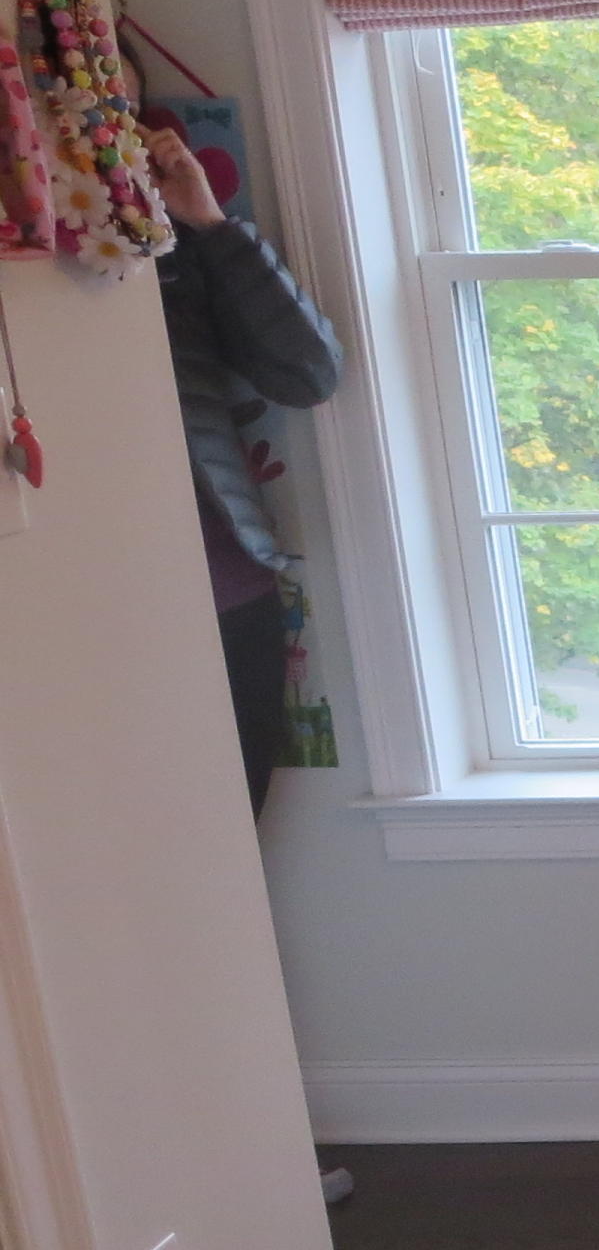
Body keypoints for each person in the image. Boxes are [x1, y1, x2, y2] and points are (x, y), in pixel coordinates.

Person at [140, 95, 343, 814]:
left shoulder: (181, 253)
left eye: (129, 113)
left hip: (224, 584)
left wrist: (208, 225)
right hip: (90, 599)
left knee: (224, 855)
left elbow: (309, 373)